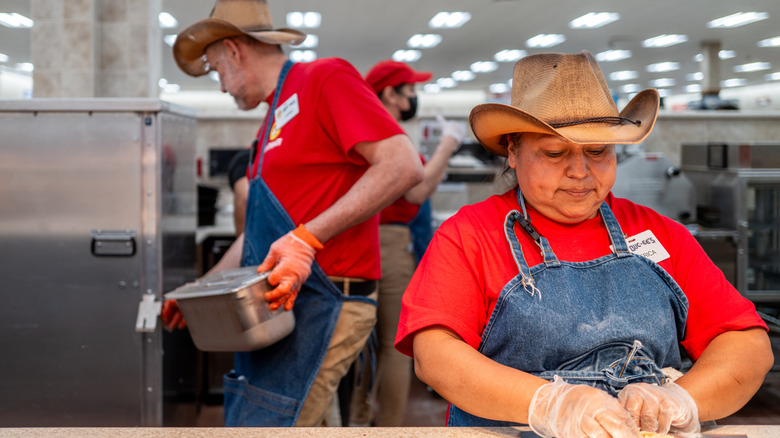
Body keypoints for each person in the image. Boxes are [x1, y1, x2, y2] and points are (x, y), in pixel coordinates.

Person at [395, 51, 773, 437]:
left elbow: (746, 343)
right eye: (555, 153)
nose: (579, 172)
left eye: (598, 151)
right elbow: (435, 354)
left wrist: (682, 399)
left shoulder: (660, 233)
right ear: (512, 150)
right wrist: (550, 404)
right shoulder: (470, 235)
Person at [163, 0, 423, 427]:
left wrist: (307, 238)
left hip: (329, 300)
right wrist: (198, 290)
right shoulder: (267, 129)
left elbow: (402, 165)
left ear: (234, 50)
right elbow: (257, 240)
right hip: (281, 309)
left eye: (215, 70)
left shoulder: (324, 78)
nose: (221, 86)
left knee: (270, 426)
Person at [347, 60, 466, 427]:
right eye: (410, 91)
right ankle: (389, 428)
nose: (414, 98)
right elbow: (417, 191)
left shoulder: (364, 128)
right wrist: (448, 145)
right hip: (387, 241)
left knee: (360, 343)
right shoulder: (386, 131)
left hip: (360, 238)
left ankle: (357, 419)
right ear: (390, 93)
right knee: (395, 344)